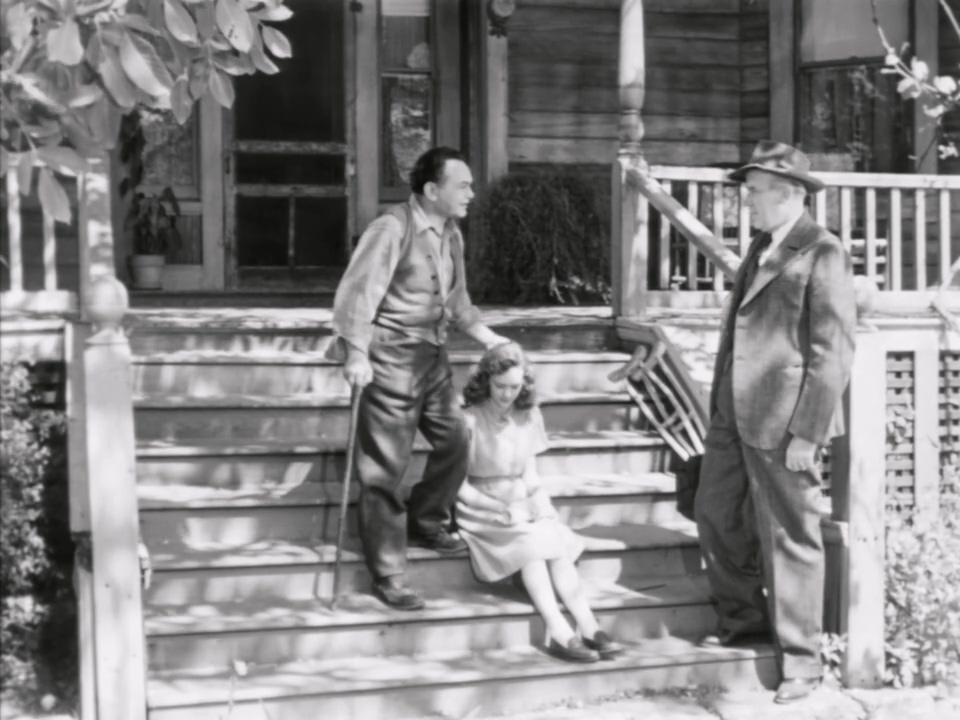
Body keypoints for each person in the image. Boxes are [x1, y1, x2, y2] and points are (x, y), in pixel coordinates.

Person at [694, 141, 857, 704]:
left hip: (785, 422)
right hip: (731, 415)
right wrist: (718, 403)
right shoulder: (762, 246)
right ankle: (745, 623)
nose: (748, 203)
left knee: (790, 538)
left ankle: (802, 663)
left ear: (788, 194)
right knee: (715, 515)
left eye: (756, 192)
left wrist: (808, 433)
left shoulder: (822, 251)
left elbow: (832, 351)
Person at [329, 147, 509, 611]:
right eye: (462, 185)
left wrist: (491, 339)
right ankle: (388, 573)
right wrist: (355, 352)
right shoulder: (391, 228)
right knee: (384, 467)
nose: (472, 192)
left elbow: (458, 301)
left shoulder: (451, 234)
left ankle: (426, 523)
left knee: (456, 441)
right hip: (388, 357)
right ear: (432, 190)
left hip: (432, 356)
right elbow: (356, 294)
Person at [456, 342, 625, 664]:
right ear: (486, 381)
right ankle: (560, 630)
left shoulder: (529, 416)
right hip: (481, 507)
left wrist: (542, 503)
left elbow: (531, 477)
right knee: (533, 545)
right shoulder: (469, 420)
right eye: (500, 386)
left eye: (515, 387)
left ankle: (589, 625)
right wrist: (502, 509)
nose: (507, 395)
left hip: (518, 499)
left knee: (555, 538)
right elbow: (458, 488)